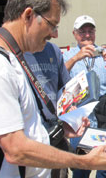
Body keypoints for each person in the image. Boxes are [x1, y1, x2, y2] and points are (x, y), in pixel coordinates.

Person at [0, 0, 106, 177]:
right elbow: (16, 150)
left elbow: (27, 127)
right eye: (52, 25)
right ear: (28, 16)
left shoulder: (12, 59)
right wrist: (83, 161)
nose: (55, 34)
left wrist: (63, 128)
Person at [63, 15, 106, 178]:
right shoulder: (67, 56)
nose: (87, 35)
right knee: (80, 168)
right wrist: (77, 58)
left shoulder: (105, 55)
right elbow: (58, 80)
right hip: (81, 124)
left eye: (90, 31)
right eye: (82, 32)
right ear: (74, 34)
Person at [24, 41, 71, 178]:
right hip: (29, 142)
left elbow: (64, 89)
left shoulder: (53, 50)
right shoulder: (12, 53)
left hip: (55, 138)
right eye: (51, 25)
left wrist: (70, 110)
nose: (55, 34)